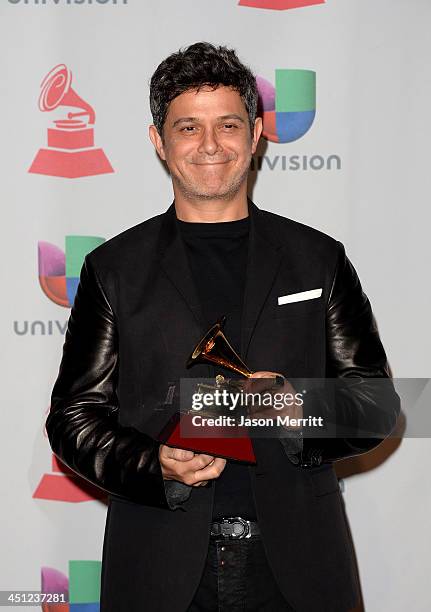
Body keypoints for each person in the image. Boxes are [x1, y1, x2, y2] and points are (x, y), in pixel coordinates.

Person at [45, 42, 400, 612]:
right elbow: (73, 419)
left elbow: (378, 403)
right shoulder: (114, 269)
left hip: (301, 572)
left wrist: (297, 407)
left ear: (255, 134)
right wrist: (153, 463)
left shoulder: (318, 259)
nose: (210, 145)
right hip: (158, 569)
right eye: (188, 127)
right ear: (160, 142)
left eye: (228, 124)